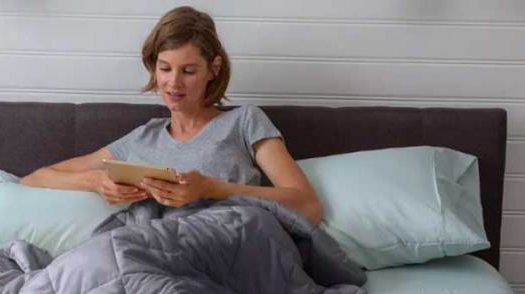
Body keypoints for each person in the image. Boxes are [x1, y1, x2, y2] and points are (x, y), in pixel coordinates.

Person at [19, 6, 323, 224]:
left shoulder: (244, 122)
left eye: (188, 71)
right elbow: (35, 179)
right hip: (157, 256)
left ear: (212, 70)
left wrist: (213, 188)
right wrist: (97, 181)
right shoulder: (142, 139)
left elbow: (307, 205)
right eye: (164, 69)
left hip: (230, 248)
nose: (173, 83)